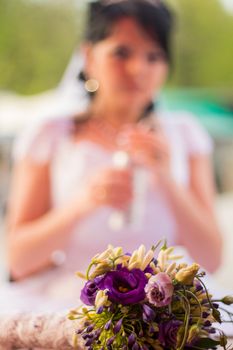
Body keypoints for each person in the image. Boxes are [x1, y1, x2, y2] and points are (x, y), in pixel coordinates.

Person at [2, 0, 222, 311]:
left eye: (154, 56)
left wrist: (165, 177)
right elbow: (19, 260)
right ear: (89, 56)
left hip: (166, 305)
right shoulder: (51, 134)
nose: (139, 69)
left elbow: (211, 259)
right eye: (122, 52)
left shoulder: (185, 135)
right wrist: (85, 202)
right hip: (76, 300)